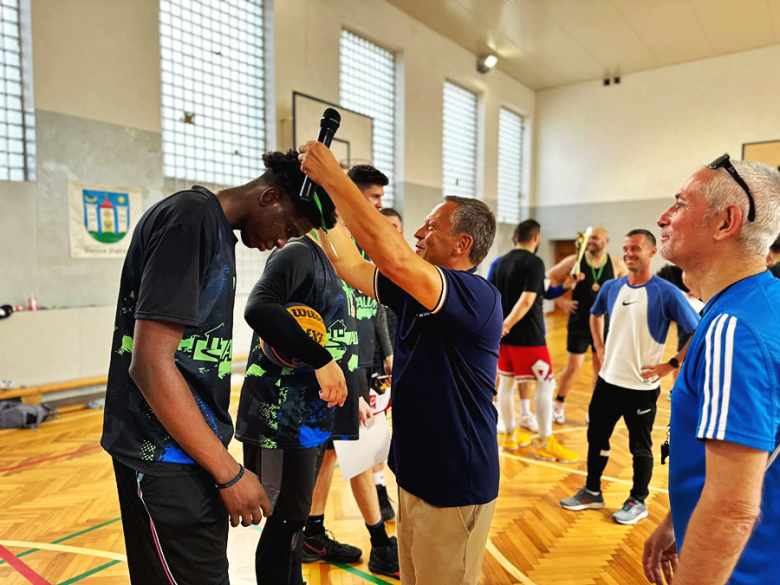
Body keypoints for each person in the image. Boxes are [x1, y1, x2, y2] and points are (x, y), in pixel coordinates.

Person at [101, 150, 346, 585]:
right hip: (160, 453)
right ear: (270, 196)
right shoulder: (190, 218)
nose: (283, 241)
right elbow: (151, 365)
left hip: (185, 449)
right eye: (288, 228)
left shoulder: (214, 231)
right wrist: (229, 471)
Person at [298, 141, 501, 585]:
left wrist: (335, 177)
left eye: (430, 228)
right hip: (414, 476)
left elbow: (392, 256)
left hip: (454, 484)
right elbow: (351, 263)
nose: (417, 235)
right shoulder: (415, 292)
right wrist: (320, 208)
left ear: (461, 243)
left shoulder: (475, 295)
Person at [643, 155, 780, 585]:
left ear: (726, 222)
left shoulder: (732, 329)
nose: (664, 218)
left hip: (744, 569)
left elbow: (732, 511)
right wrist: (676, 518)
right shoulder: (764, 302)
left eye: (681, 204)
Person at [235, 197, 365, 585]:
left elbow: (338, 330)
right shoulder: (297, 253)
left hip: (313, 413)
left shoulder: (342, 261)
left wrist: (351, 387)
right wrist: (322, 360)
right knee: (283, 521)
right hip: (282, 415)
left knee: (295, 519)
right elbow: (259, 308)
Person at [560, 230, 699, 525]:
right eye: (625, 248)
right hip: (608, 382)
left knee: (640, 447)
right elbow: (595, 314)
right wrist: (598, 344)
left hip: (641, 388)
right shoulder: (611, 287)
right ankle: (592, 491)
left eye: (635, 248)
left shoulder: (666, 292)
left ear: (652, 252)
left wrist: (670, 364)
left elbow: (697, 330)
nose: (629, 253)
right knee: (596, 436)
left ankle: (638, 501)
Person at [301, 164, 400, 580]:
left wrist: (387, 354)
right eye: (372, 197)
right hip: (333, 374)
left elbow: (371, 308)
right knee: (352, 456)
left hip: (358, 369)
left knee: (331, 458)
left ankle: (312, 533)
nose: (378, 205)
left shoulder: (360, 247)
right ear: (348, 196)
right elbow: (320, 320)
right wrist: (348, 381)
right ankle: (380, 544)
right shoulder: (322, 247)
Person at [490, 219, 579, 463]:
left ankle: (509, 435)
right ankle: (545, 441)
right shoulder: (535, 262)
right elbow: (529, 300)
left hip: (503, 339)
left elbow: (541, 291)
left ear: (514, 239)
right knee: (546, 384)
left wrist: (567, 285)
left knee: (505, 385)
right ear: (537, 238)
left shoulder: (499, 263)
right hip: (528, 338)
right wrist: (508, 324)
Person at [547, 228, 628, 424]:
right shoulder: (576, 260)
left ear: (605, 241)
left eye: (594, 238)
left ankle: (595, 407)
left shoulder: (616, 264)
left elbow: (628, 287)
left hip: (604, 325)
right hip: (579, 324)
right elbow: (549, 276)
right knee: (574, 366)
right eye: (589, 238)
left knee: (600, 368)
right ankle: (559, 402)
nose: (590, 241)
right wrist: (560, 302)